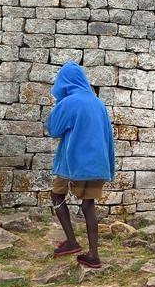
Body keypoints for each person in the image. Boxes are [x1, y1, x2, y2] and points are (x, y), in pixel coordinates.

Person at [44, 61, 116, 269]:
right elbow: (107, 136)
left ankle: (72, 242)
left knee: (57, 194)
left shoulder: (69, 103)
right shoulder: (98, 103)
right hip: (97, 163)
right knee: (88, 205)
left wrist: (59, 106)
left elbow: (54, 130)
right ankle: (93, 254)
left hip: (72, 162)